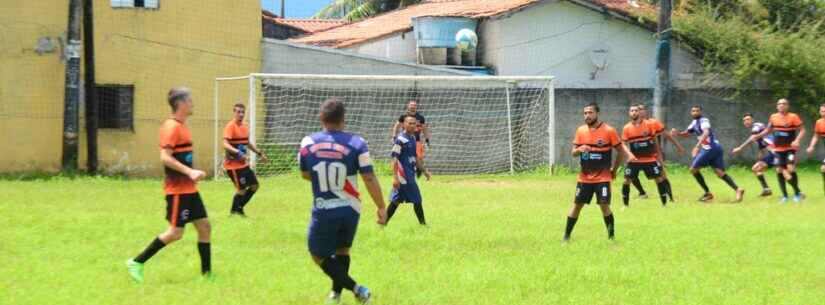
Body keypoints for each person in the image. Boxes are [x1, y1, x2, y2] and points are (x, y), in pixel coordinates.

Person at [299, 98, 388, 304]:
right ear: (343, 119)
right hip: (351, 208)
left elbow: (305, 174)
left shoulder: (308, 143)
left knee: (316, 253)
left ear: (321, 117)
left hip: (324, 208)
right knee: (342, 250)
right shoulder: (358, 143)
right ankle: (336, 294)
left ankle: (357, 289)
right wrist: (382, 207)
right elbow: (368, 177)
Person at [126, 87, 212, 283]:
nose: (193, 103)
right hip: (177, 191)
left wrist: (192, 173)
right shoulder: (171, 127)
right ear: (181, 103)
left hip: (189, 189)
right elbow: (165, 157)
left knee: (205, 227)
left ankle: (207, 276)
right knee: (175, 233)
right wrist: (190, 171)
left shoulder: (182, 126)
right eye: (190, 100)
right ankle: (136, 262)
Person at [564, 102, 635, 242]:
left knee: (604, 205)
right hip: (584, 178)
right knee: (577, 205)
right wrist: (579, 150)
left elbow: (620, 151)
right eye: (585, 113)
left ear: (597, 113)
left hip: (602, 177)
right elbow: (573, 153)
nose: (587, 115)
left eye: (590, 112)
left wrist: (614, 170)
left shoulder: (609, 130)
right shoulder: (580, 131)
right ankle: (566, 237)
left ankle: (611, 237)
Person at [671, 105, 745, 203]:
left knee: (693, 170)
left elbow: (706, 132)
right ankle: (738, 189)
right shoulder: (694, 123)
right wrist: (678, 134)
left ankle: (707, 193)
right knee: (720, 173)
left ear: (701, 112)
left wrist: (697, 146)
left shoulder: (703, 120)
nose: (695, 112)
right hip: (715, 148)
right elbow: (687, 133)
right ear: (691, 112)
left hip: (710, 149)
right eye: (693, 111)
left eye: (697, 111)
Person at [748, 99, 806, 203]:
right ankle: (784, 196)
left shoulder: (793, 117)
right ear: (776, 106)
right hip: (778, 149)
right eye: (779, 104)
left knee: (790, 169)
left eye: (784, 104)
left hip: (790, 149)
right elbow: (767, 130)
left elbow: (802, 130)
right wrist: (757, 136)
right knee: (779, 170)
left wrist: (797, 140)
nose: (781, 105)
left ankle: (797, 193)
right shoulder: (773, 117)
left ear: (788, 106)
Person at [386, 114, 432, 226]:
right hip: (404, 176)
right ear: (403, 125)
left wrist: (424, 171)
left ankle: (382, 223)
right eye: (409, 123)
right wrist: (395, 178)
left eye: (414, 124)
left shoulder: (412, 138)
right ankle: (423, 225)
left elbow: (415, 157)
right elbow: (394, 158)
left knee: (396, 201)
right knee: (417, 199)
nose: (412, 125)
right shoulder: (400, 140)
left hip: (409, 174)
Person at [632, 104, 684, 201]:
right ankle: (642, 193)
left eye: (641, 109)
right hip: (638, 156)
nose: (639, 111)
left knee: (660, 176)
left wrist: (678, 146)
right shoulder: (633, 125)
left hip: (653, 155)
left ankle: (671, 198)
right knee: (631, 175)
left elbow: (667, 135)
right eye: (637, 110)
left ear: (646, 111)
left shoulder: (653, 123)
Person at [223, 103, 268, 216]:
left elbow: (247, 143)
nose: (241, 114)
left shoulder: (244, 126)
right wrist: (238, 153)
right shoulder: (230, 126)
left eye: (242, 112)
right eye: (238, 112)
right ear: (234, 113)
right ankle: (234, 212)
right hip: (232, 166)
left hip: (243, 165)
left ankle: (238, 209)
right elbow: (225, 144)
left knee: (255, 186)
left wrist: (259, 153)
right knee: (242, 189)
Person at [621, 105, 670, 207]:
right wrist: (629, 155)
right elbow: (623, 144)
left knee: (659, 179)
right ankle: (625, 205)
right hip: (634, 160)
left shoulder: (649, 125)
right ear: (629, 113)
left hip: (649, 159)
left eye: (636, 110)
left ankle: (664, 204)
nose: (634, 112)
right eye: (631, 111)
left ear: (640, 112)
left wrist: (659, 158)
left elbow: (655, 141)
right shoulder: (626, 128)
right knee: (626, 181)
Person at [731, 113, 776, 197]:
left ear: (753, 120)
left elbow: (752, 138)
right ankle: (766, 190)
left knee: (785, 172)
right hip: (772, 154)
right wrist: (760, 156)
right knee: (756, 168)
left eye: (748, 119)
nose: (746, 121)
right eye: (744, 120)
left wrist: (740, 148)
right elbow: (762, 146)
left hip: (777, 152)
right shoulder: (757, 131)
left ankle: (798, 192)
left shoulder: (757, 126)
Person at [391, 100, 430, 176]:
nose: (413, 106)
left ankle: (418, 172)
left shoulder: (420, 117)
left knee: (419, 158)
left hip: (416, 141)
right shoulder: (403, 116)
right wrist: (394, 136)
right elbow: (397, 126)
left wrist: (427, 138)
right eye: (411, 105)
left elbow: (424, 128)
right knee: (404, 157)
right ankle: (403, 172)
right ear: (408, 106)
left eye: (414, 105)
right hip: (406, 141)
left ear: (416, 107)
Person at [805, 103, 825, 195]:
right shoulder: (819, 122)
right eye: (822, 111)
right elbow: (816, 135)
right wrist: (811, 146)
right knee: (823, 169)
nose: (823, 113)